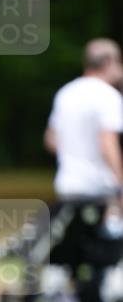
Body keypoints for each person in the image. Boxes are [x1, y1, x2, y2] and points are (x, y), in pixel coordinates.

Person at [44, 39, 123, 205]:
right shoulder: (108, 96)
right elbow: (108, 143)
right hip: (98, 188)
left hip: (67, 184)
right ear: (108, 62)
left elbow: (51, 140)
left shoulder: (66, 93)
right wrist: (120, 184)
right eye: (119, 62)